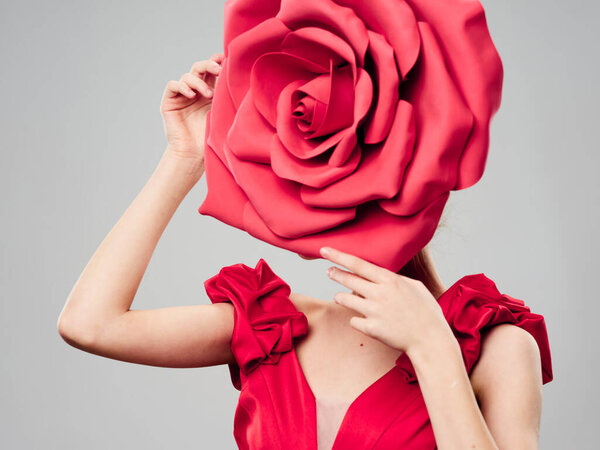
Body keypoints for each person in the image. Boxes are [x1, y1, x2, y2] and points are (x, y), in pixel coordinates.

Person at [57, 54, 553, 449]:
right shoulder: (275, 328)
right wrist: (184, 157)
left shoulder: (496, 348)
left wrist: (432, 346)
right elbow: (90, 324)